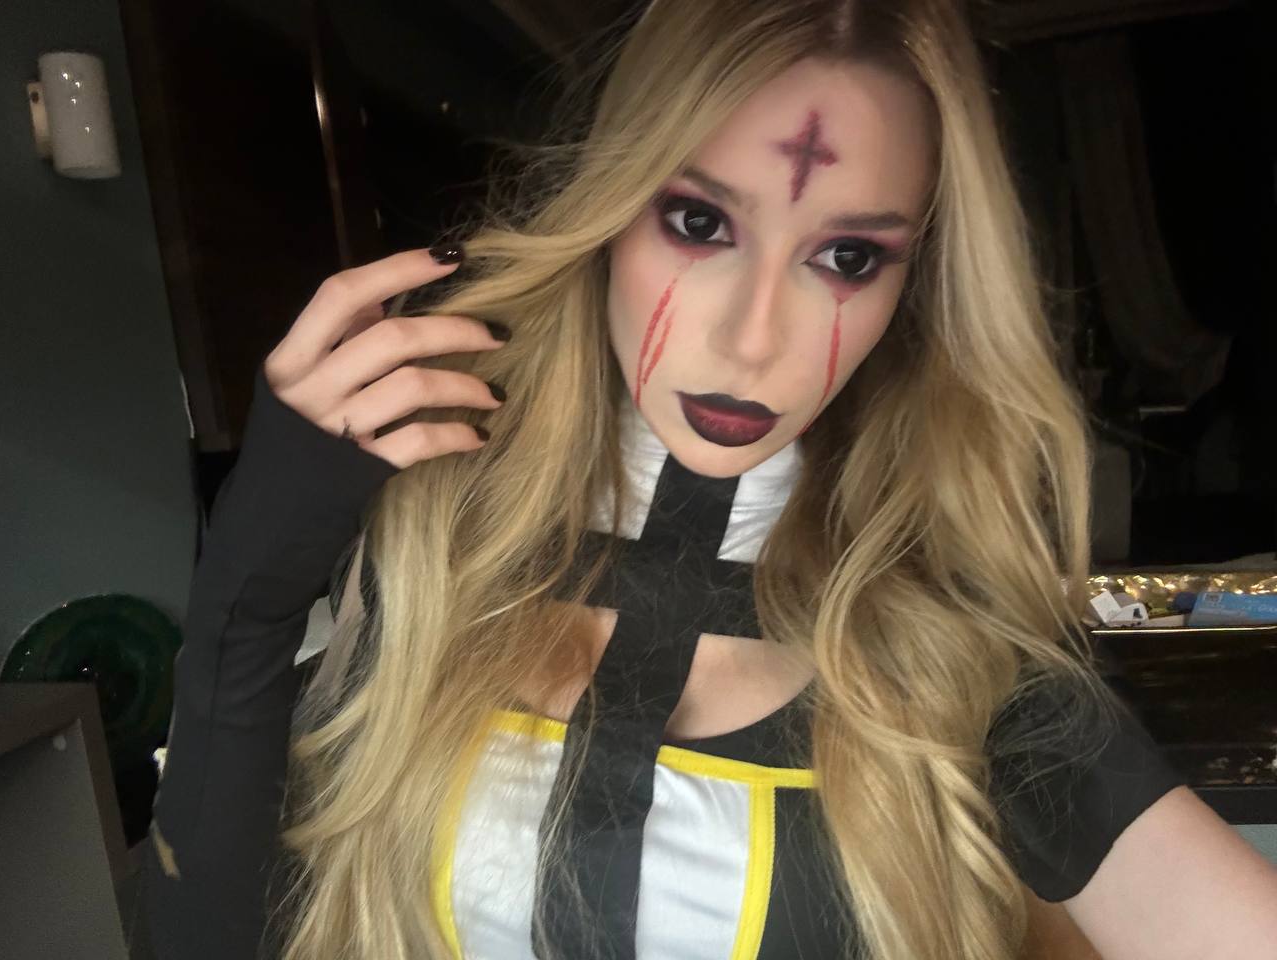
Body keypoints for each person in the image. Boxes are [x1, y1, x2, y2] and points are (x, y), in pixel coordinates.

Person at [138, 1, 1277, 958]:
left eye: (846, 256)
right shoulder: (435, 554)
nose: (751, 338)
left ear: (915, 287)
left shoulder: (957, 664)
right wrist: (249, 586)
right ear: (607, 210)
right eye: (697, 220)